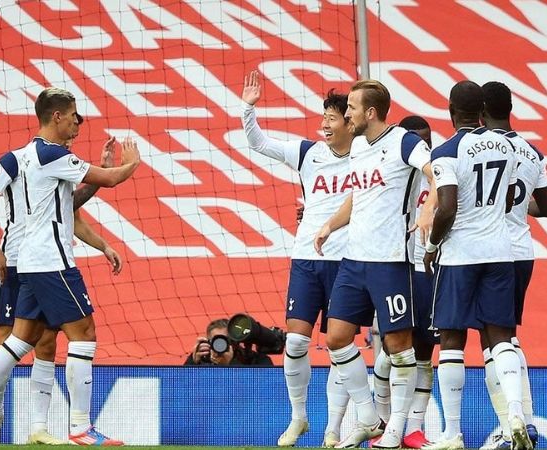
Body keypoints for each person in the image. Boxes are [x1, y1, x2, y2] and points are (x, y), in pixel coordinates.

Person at [0, 87, 140, 446]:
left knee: (22, 341)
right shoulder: (49, 155)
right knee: (83, 334)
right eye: (74, 115)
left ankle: (40, 428)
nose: (78, 121)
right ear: (56, 116)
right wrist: (131, 163)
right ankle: (81, 428)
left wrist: (102, 242)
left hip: (27, 262)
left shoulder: (26, 158)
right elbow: (113, 178)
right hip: (49, 261)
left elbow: (68, 205)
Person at [314, 79, 437, 448]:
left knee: (400, 347)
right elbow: (359, 196)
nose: (345, 112)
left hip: (389, 262)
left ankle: (397, 429)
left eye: (350, 107)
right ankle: (370, 418)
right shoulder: (358, 148)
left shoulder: (404, 141)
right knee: (336, 339)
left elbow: (436, 173)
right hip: (353, 260)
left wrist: (429, 208)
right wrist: (329, 224)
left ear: (370, 112)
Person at [240, 70, 353, 447]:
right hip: (306, 259)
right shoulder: (308, 153)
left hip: (348, 262)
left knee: (340, 346)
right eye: (323, 118)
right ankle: (299, 417)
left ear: (349, 123)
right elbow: (258, 143)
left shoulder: (369, 157)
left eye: (331, 118)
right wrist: (248, 109)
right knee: (295, 342)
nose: (323, 124)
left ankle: (334, 427)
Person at [422, 81, 532, 450]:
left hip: (461, 255)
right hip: (501, 251)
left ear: (452, 111)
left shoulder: (447, 152)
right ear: (483, 111)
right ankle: (515, 414)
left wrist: (433, 243)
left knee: (452, 339)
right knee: (501, 337)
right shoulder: (509, 145)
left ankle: (452, 432)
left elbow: (447, 208)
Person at [479, 81, 547, 450]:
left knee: (494, 341)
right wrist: (516, 210)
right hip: (523, 250)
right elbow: (546, 207)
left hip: (490, 251)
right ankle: (521, 420)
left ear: (481, 111)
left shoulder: (479, 149)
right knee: (506, 336)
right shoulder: (532, 151)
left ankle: (512, 424)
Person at [370, 115, 439, 449]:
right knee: (391, 349)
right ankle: (384, 421)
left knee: (425, 350)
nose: (421, 146)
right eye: (415, 140)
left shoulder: (439, 175)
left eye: (426, 140)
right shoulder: (388, 173)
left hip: (430, 272)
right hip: (394, 267)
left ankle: (413, 427)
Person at [185, 318, 274, 366]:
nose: (221, 345)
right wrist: (193, 363)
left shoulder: (255, 360)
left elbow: (259, 391)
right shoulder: (202, 358)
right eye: (216, 341)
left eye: (226, 340)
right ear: (209, 343)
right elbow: (181, 388)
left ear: (235, 342)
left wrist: (230, 365)